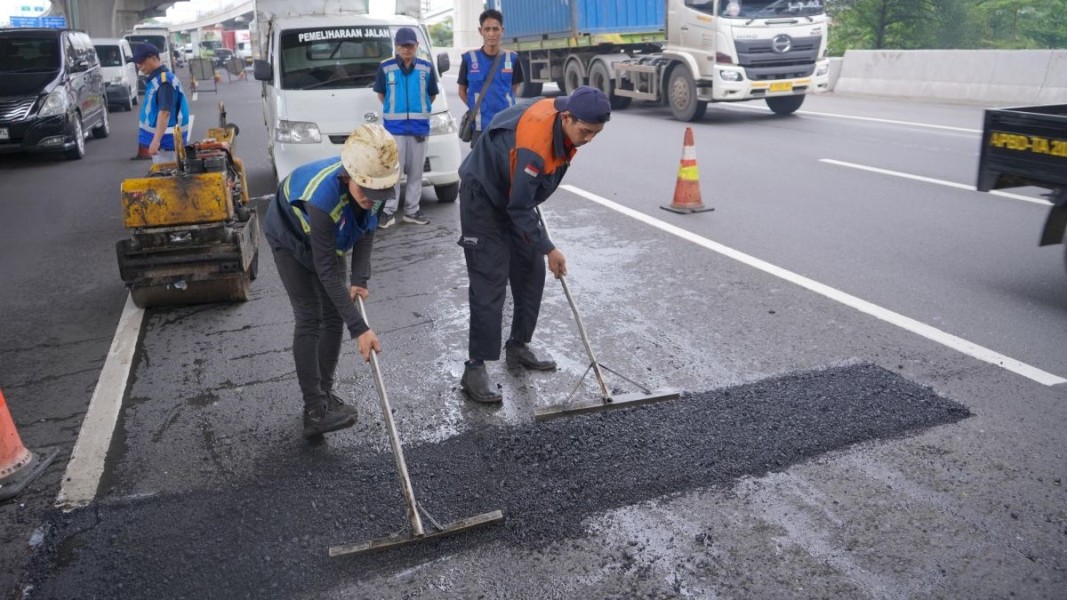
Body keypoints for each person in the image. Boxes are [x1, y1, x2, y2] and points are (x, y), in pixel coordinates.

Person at [456, 86, 611, 404]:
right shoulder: (534, 147)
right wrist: (549, 248)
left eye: (596, 133)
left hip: (514, 190)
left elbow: (522, 199)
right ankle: (474, 368)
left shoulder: (561, 117)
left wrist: (540, 246)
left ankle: (518, 345)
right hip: (483, 196)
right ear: (567, 117)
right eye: (585, 131)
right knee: (489, 282)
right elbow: (519, 208)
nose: (589, 139)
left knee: (531, 270)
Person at [262, 124, 399, 440]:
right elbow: (325, 271)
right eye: (366, 191)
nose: (372, 199)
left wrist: (360, 278)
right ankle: (314, 410)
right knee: (310, 316)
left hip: (326, 239)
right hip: (289, 234)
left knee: (335, 315)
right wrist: (360, 329)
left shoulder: (376, 185)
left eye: (377, 193)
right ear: (349, 176)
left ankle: (323, 394)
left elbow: (366, 230)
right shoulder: (322, 199)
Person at [373, 27, 438, 229]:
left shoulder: (427, 68)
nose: (406, 49)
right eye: (402, 45)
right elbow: (382, 95)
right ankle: (388, 212)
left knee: (416, 173)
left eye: (410, 45)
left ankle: (412, 211)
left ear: (417, 46)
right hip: (395, 129)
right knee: (393, 172)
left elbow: (431, 95)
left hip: (419, 128)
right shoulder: (385, 68)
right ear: (396, 46)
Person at [457, 8, 524, 148]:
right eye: (487, 29)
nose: (491, 34)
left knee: (505, 162)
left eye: (495, 29)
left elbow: (513, 89)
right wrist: (476, 108)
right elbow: (462, 91)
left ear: (502, 30)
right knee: (480, 163)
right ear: (480, 31)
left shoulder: (512, 58)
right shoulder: (469, 59)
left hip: (505, 127)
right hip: (479, 128)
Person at [132, 43, 189, 163]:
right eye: (137, 63)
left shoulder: (164, 82)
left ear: (154, 58)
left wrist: (156, 141)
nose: (139, 66)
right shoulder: (157, 80)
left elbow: (165, 113)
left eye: (141, 61)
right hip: (165, 143)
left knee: (167, 173)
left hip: (167, 144)